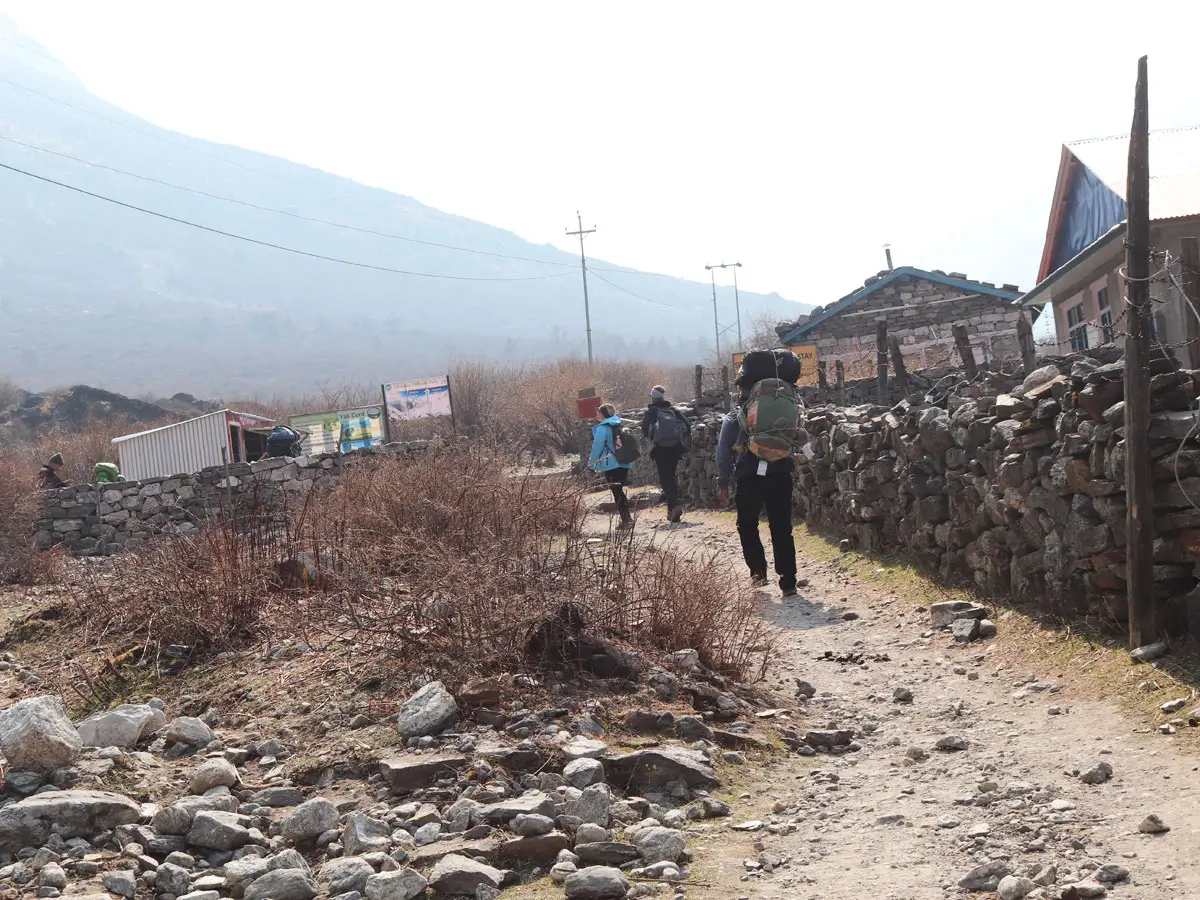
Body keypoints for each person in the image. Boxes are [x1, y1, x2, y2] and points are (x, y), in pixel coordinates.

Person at [716, 380, 798, 595]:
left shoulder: (736, 416)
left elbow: (724, 452)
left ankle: (758, 573)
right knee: (781, 525)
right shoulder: (786, 405)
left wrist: (722, 481)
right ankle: (788, 578)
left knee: (747, 524)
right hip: (781, 473)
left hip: (750, 476)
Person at [640, 385, 690, 522]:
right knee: (671, 476)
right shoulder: (673, 410)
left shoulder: (651, 412)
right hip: (675, 447)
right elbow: (688, 425)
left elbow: (644, 429)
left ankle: (674, 506)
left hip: (659, 448)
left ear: (652, 397)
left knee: (665, 478)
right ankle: (672, 510)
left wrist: (653, 437)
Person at [589, 403, 633, 527]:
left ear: (603, 413)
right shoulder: (619, 424)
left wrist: (592, 464)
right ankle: (627, 518)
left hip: (611, 464)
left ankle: (626, 520)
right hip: (624, 462)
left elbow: (597, 447)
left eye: (599, 411)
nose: (597, 413)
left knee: (617, 491)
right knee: (619, 490)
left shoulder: (603, 428)